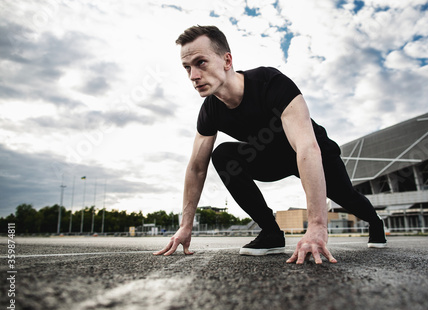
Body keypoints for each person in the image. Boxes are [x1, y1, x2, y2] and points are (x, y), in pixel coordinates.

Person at [153, 25, 387, 264]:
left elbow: (307, 148)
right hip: (270, 158)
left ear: (227, 60)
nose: (193, 76)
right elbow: (196, 167)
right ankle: (271, 232)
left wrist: (317, 225)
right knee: (223, 155)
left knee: (347, 197)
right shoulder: (210, 111)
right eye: (187, 68)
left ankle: (376, 222)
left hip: (314, 152)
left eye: (200, 62)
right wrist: (185, 225)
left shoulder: (270, 82)